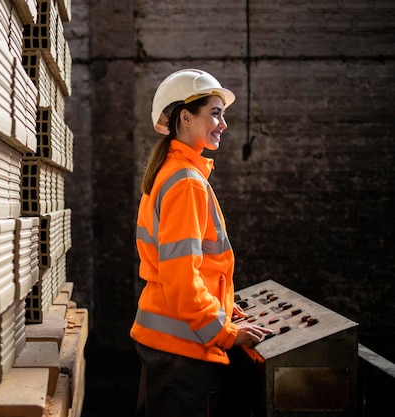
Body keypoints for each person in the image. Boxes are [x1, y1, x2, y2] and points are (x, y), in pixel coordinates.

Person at [131, 68, 273, 417]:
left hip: (168, 344)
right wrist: (223, 332)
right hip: (184, 351)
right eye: (215, 113)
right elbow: (182, 277)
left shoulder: (170, 172)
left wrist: (222, 308)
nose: (223, 124)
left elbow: (193, 269)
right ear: (185, 118)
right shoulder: (186, 183)